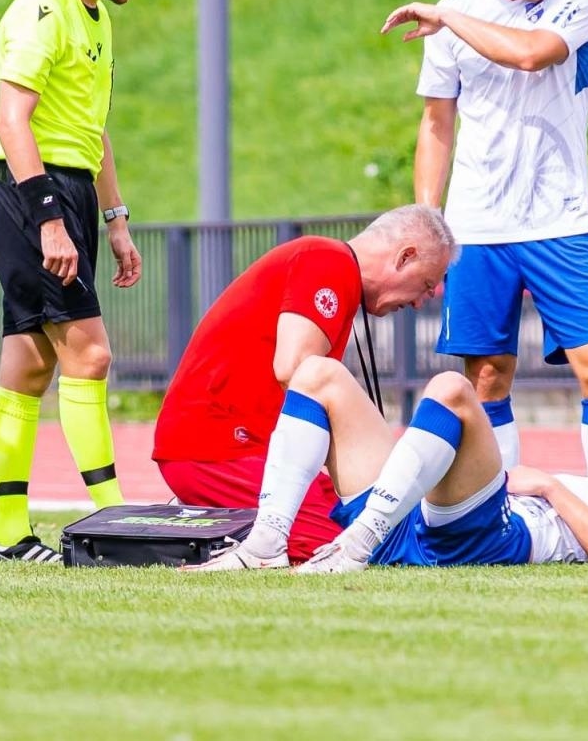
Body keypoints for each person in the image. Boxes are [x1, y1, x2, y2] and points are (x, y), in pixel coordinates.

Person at [383, 0, 588, 480]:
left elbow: (530, 55)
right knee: (487, 376)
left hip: (561, 217)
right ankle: (505, 507)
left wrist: (446, 19)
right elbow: (436, 124)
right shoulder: (454, 11)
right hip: (479, 224)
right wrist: (428, 221)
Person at [0, 0, 177, 563]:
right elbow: (12, 123)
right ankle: (111, 518)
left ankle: (9, 534)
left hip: (67, 190)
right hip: (30, 192)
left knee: (29, 368)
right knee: (89, 355)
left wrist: (115, 219)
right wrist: (50, 223)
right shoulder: (42, 9)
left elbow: (95, 131)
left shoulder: (97, 17)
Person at [153, 205, 455, 563]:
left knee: (367, 529)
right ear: (405, 256)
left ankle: (214, 517)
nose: (422, 301)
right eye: (425, 285)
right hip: (220, 449)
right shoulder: (328, 260)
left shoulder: (329, 263)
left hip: (229, 445)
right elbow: (294, 369)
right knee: (358, 547)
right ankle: (212, 517)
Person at [183, 357, 588, 573]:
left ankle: (357, 545)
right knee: (318, 374)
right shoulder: (585, 494)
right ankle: (267, 540)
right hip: (410, 516)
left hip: (484, 534)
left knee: (453, 389)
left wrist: (548, 487)